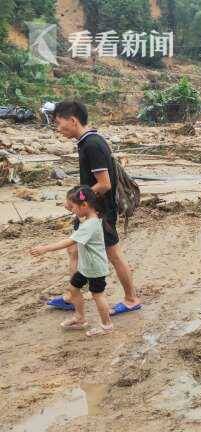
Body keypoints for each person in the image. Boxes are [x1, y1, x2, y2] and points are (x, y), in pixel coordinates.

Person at [46, 101, 142, 316]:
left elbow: (105, 184)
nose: (58, 129)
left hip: (99, 213)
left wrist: (77, 200)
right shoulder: (87, 141)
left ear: (73, 120)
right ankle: (72, 296)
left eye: (60, 124)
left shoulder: (92, 144)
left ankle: (131, 298)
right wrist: (78, 202)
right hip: (88, 210)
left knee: (114, 255)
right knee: (74, 249)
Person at [31, 186, 114, 336]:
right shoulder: (89, 218)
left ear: (84, 205)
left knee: (97, 295)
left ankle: (106, 326)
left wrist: (45, 248)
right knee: (73, 289)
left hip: (95, 268)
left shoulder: (90, 224)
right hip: (85, 267)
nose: (72, 210)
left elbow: (68, 242)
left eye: (73, 207)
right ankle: (80, 317)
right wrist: (70, 202)